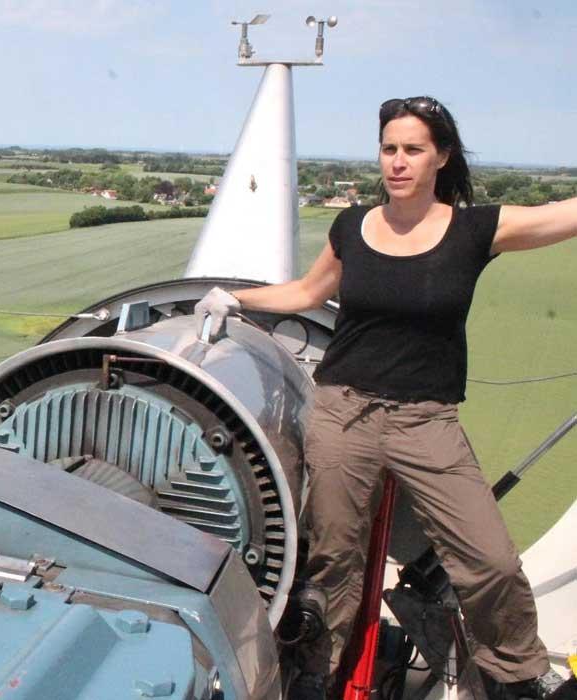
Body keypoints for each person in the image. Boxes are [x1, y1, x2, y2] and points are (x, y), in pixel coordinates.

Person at [195, 96, 577, 700]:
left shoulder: (475, 229)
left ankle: (517, 675)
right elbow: (306, 291)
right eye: (389, 149)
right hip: (344, 414)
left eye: (413, 150)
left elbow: (568, 215)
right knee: (331, 566)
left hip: (427, 421)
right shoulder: (353, 226)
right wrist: (237, 300)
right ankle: (314, 676)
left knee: (490, 561)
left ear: (441, 157)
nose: (398, 162)